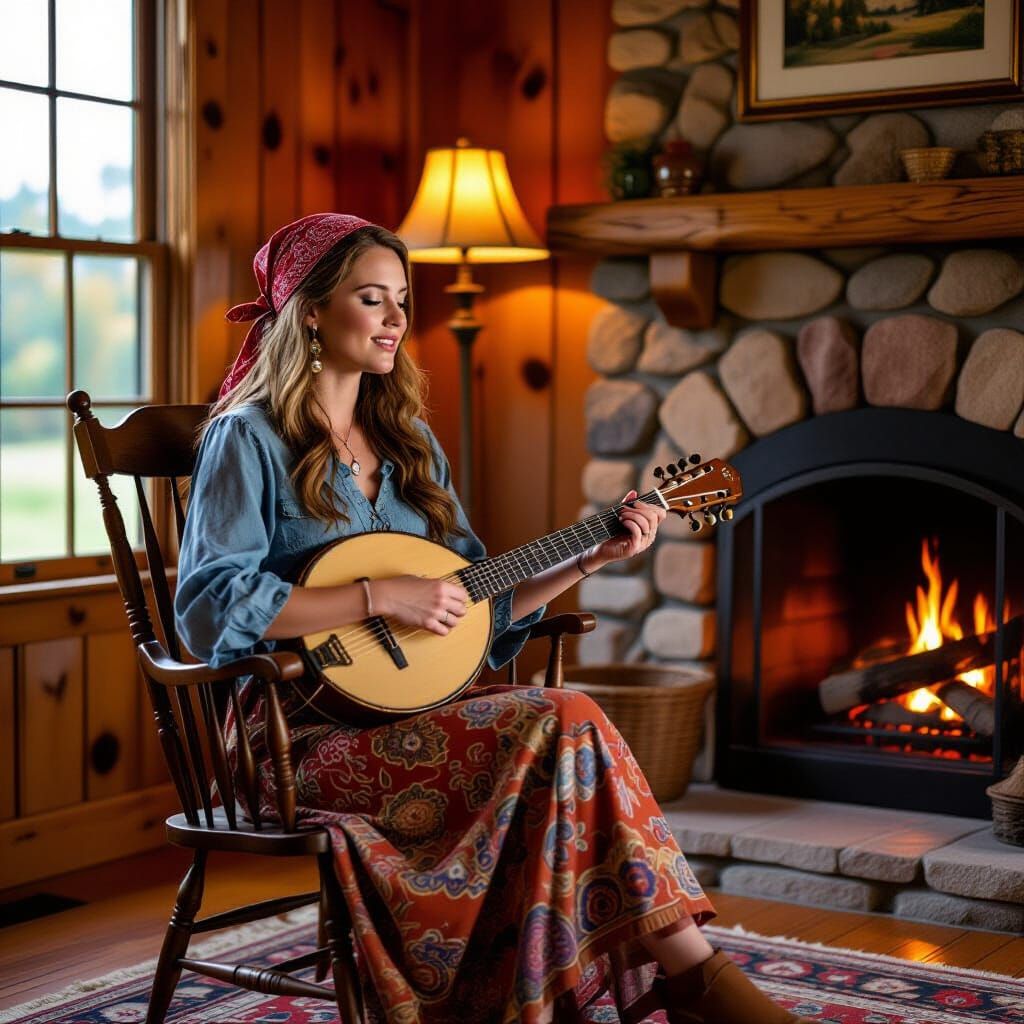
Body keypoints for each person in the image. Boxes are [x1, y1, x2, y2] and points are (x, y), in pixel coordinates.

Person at [174, 213, 812, 1024]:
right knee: (566, 720)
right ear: (307, 310)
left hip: (416, 712)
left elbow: (472, 603)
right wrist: (376, 595)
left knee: (566, 737)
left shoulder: (407, 445)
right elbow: (207, 611)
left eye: (402, 300)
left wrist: (587, 559)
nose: (398, 320)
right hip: (297, 739)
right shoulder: (247, 437)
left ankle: (670, 982)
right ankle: (692, 978)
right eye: (373, 299)